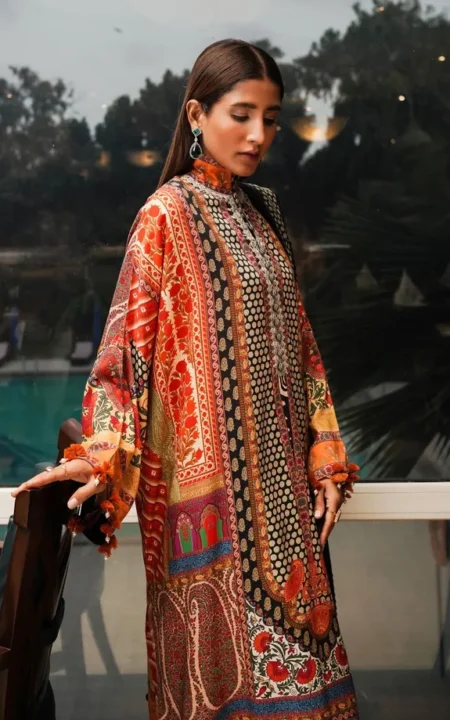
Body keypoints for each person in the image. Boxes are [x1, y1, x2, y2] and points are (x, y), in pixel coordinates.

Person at [12, 39, 360, 720]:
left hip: (289, 522)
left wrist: (326, 455)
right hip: (209, 528)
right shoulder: (165, 217)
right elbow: (123, 360)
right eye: (241, 115)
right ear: (197, 115)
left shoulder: (264, 215)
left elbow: (303, 353)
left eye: (270, 119)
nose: (259, 135)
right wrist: (100, 458)